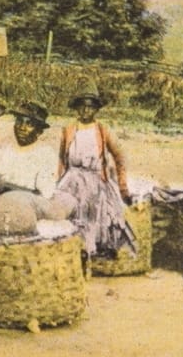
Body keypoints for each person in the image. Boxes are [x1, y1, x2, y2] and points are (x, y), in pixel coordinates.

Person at [55, 85, 136, 259]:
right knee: (68, 210)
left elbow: (120, 157)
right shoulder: (69, 130)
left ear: (96, 109)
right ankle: (74, 249)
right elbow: (62, 159)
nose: (85, 110)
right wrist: (58, 181)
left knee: (94, 214)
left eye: (90, 106)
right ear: (76, 108)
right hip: (72, 179)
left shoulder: (102, 130)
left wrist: (123, 187)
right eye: (82, 106)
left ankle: (92, 249)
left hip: (94, 180)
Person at [0, 101, 76, 235]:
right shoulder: (3, 148)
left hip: (31, 201)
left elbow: (44, 194)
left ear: (38, 131)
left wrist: (7, 187)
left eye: (29, 124)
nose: (22, 127)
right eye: (19, 122)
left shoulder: (46, 154)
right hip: (1, 199)